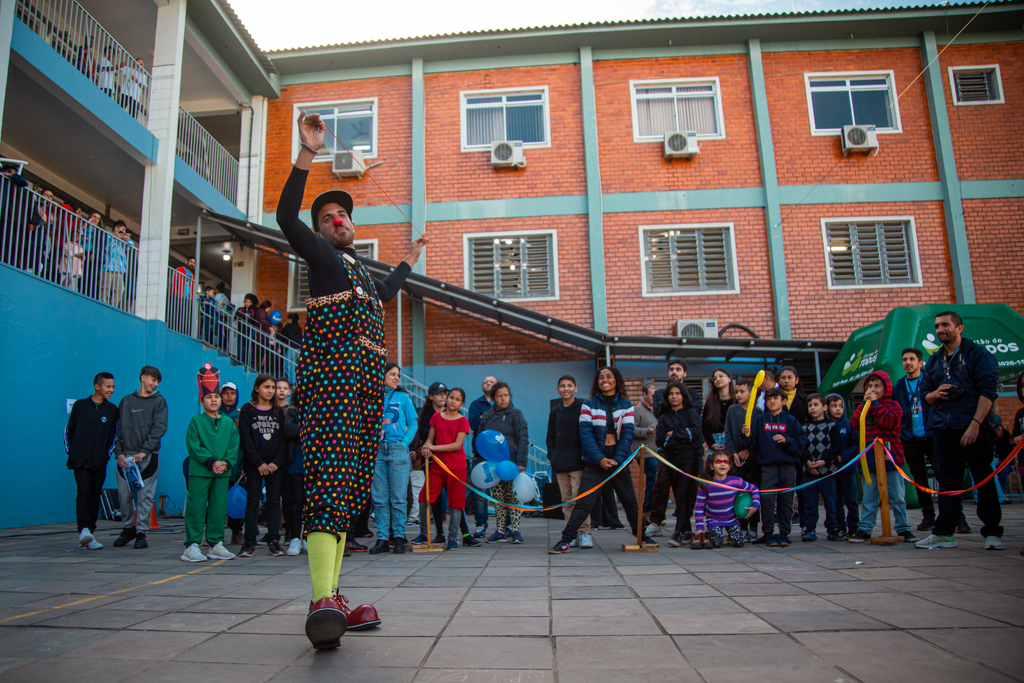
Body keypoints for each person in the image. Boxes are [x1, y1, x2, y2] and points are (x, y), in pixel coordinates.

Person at [277, 109, 425, 647]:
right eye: (329, 217)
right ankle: (320, 598)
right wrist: (307, 154)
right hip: (333, 383)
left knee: (347, 492)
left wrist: (406, 262)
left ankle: (334, 597)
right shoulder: (319, 256)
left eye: (344, 215)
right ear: (320, 231)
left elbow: (384, 297)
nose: (338, 220)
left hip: (363, 392)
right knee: (328, 487)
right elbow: (285, 217)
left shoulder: (361, 272)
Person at [916, 311, 1003, 551]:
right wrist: (935, 394)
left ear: (959, 328)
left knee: (984, 479)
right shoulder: (934, 360)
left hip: (974, 426)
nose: (940, 329)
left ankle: (992, 532)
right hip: (944, 428)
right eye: (937, 326)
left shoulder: (978, 355)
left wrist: (975, 424)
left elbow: (988, 392)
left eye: (945, 325)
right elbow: (925, 393)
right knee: (948, 482)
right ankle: (944, 533)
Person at [549, 367, 653, 554]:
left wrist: (618, 460)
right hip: (595, 459)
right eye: (601, 377)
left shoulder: (626, 404)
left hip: (618, 459)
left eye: (609, 377)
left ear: (616, 380)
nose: (604, 380)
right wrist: (599, 459)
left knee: (629, 501)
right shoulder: (589, 404)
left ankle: (642, 536)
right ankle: (566, 540)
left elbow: (628, 434)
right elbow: (585, 434)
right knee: (583, 502)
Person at [847, 372, 915, 543]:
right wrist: (864, 405)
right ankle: (865, 529)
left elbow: (890, 422)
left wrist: (876, 404)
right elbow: (854, 424)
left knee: (897, 496)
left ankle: (903, 528)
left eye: (877, 386)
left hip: (891, 459)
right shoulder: (863, 408)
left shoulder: (894, 406)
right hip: (869, 460)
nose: (873, 390)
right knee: (869, 497)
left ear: (886, 388)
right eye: (870, 387)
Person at [182, 369, 239, 562]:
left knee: (218, 507)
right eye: (208, 397)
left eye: (216, 396)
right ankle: (191, 545)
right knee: (196, 506)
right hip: (201, 471)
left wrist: (226, 463)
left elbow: (234, 445)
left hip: (222, 473)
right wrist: (212, 462)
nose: (213, 400)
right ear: (201, 401)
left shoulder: (229, 423)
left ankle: (216, 543)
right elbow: (193, 445)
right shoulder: (196, 421)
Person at [741, 386, 805, 547]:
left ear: (783, 401)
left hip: (787, 466)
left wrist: (787, 440)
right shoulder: (760, 420)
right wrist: (746, 434)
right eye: (769, 399)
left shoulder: (791, 421)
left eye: (775, 398)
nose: (772, 401)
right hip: (767, 467)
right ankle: (768, 532)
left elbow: (801, 443)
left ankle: (784, 533)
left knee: (786, 500)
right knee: (767, 500)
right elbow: (751, 444)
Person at [111, 366, 167, 550]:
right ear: (143, 378)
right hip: (125, 456)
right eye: (152, 379)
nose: (155, 383)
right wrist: (118, 453)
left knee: (145, 496)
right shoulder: (126, 401)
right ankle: (128, 528)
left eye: (157, 381)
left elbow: (159, 428)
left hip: (148, 456)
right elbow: (117, 429)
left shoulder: (159, 402)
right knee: (123, 495)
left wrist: (144, 451)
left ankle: (141, 532)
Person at [648, 359, 703, 538]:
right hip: (668, 454)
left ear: (684, 373)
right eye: (671, 369)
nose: (674, 372)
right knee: (661, 484)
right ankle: (656, 520)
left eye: (678, 369)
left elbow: (694, 423)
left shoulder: (693, 394)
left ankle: (684, 524)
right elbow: (660, 417)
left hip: (690, 454)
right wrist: (679, 435)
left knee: (688, 489)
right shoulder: (659, 394)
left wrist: (676, 434)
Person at [66, 372, 119, 550]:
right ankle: (83, 530)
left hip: (99, 461)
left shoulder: (112, 411)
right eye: (108, 386)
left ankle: (91, 534)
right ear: (97, 386)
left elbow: (114, 436)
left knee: (95, 495)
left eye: (112, 387)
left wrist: (105, 455)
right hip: (80, 460)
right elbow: (69, 431)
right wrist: (73, 453)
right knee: (83, 492)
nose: (111, 390)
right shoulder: (81, 406)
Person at [369, 363, 418, 554]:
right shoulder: (373, 398)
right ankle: (382, 538)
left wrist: (403, 443)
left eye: (398, 375)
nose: (396, 378)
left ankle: (398, 536)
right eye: (392, 374)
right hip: (377, 451)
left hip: (397, 450)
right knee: (380, 498)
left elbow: (413, 424)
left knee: (398, 498)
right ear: (381, 376)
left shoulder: (403, 397)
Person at [238, 374, 288, 558]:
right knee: (252, 502)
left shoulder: (278, 411)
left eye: (272, 387)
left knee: (274, 502)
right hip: (254, 465)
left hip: (275, 465)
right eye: (266, 387)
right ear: (257, 388)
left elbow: (283, 441)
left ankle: (274, 541)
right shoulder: (247, 410)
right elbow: (246, 439)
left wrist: (276, 462)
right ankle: (249, 542)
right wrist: (258, 462)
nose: (270, 391)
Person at [420, 388, 473, 551]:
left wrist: (434, 447)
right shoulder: (436, 417)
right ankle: (424, 533)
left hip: (456, 467)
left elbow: (458, 445)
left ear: (462, 404)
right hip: (437, 465)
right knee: (424, 497)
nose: (453, 401)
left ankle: (452, 537)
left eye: (457, 399)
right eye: (451, 397)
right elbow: (429, 440)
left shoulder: (463, 420)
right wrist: (426, 448)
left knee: (456, 503)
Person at [892, 347, 939, 531]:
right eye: (904, 359)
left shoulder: (930, 382)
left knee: (943, 474)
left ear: (920, 363)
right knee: (919, 479)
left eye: (912, 359)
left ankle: (956, 516)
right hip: (911, 439)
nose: (908, 363)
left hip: (932, 435)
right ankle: (928, 516)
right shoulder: (899, 387)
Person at [480, 382, 530, 544]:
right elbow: (481, 439)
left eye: (506, 395)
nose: (503, 398)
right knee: (499, 498)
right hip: (494, 465)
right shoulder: (487, 416)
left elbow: (523, 438)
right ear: (494, 398)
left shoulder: (516, 414)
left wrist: (521, 463)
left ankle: (515, 530)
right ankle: (500, 530)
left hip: (512, 464)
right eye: (500, 396)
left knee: (513, 498)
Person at [547, 375, 591, 549]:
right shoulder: (555, 411)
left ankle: (585, 532)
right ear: (558, 390)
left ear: (576, 388)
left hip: (578, 463)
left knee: (579, 499)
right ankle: (570, 533)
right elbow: (550, 437)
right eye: (562, 386)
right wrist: (553, 455)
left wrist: (584, 455)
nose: (566, 388)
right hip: (560, 463)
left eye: (569, 385)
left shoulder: (583, 407)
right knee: (566, 500)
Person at [691, 452, 760, 549]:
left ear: (730, 466)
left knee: (739, 543)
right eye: (718, 462)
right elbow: (699, 507)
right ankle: (708, 533)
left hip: (732, 519)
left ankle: (730, 534)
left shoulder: (736, 481)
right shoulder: (706, 484)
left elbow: (754, 489)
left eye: (725, 462)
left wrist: (755, 506)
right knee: (717, 544)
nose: (722, 464)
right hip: (714, 520)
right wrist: (699, 529)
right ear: (711, 466)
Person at [798, 393, 841, 542]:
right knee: (810, 503)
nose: (812, 408)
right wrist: (808, 463)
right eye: (810, 405)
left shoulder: (832, 426)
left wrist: (824, 461)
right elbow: (802, 448)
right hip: (809, 472)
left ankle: (832, 529)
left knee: (830, 501)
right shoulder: (805, 428)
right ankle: (809, 529)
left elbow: (836, 447)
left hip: (827, 471)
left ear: (824, 407)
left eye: (816, 405)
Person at [410, 382, 448, 544]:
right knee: (433, 497)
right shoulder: (425, 415)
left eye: (445, 394)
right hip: (431, 460)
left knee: (454, 498)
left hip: (449, 459)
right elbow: (423, 434)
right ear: (431, 396)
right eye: (439, 394)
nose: (443, 397)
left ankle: (464, 533)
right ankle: (437, 532)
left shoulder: (452, 412)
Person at [726, 378, 761, 539]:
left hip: (753, 461)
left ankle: (753, 525)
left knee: (753, 492)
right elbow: (728, 433)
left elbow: (760, 436)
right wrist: (734, 453)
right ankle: (741, 526)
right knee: (738, 494)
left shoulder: (758, 412)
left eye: (742, 392)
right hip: (736, 460)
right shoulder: (732, 410)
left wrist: (750, 451)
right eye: (736, 392)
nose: (738, 395)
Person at [466, 375, 499, 537]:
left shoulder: (503, 401)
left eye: (491, 382)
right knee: (481, 493)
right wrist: (491, 418)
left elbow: (507, 423)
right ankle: (480, 525)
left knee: (501, 492)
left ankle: (504, 526)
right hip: (480, 453)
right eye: (485, 381)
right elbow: (473, 424)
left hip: (500, 454)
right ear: (482, 387)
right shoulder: (475, 404)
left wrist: (483, 418)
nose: (488, 383)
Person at [826, 394, 859, 538]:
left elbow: (856, 446)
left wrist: (843, 457)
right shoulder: (825, 426)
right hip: (831, 469)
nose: (838, 409)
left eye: (840, 406)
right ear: (827, 408)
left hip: (847, 468)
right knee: (836, 500)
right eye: (834, 406)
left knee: (851, 499)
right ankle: (840, 526)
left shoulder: (849, 425)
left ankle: (854, 526)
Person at [634, 382, 659, 526]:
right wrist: (646, 432)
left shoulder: (657, 410)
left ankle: (652, 512)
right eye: (652, 395)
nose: (655, 398)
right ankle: (646, 510)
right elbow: (630, 430)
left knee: (656, 481)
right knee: (653, 478)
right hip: (645, 452)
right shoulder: (636, 410)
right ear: (644, 394)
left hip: (658, 452)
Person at [702, 368, 736, 458]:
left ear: (729, 379)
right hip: (714, 441)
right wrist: (711, 443)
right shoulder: (710, 402)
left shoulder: (736, 401)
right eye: (715, 378)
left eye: (721, 376)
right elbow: (704, 426)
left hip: (733, 443)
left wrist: (727, 443)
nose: (717, 379)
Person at [101, 221, 132, 309]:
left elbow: (131, 245)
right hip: (109, 267)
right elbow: (109, 247)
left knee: (120, 289)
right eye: (122, 230)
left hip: (120, 269)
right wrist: (117, 237)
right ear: (116, 229)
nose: (123, 233)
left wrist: (126, 239)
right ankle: (103, 305)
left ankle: (113, 307)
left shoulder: (122, 241)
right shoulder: (109, 235)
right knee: (106, 288)